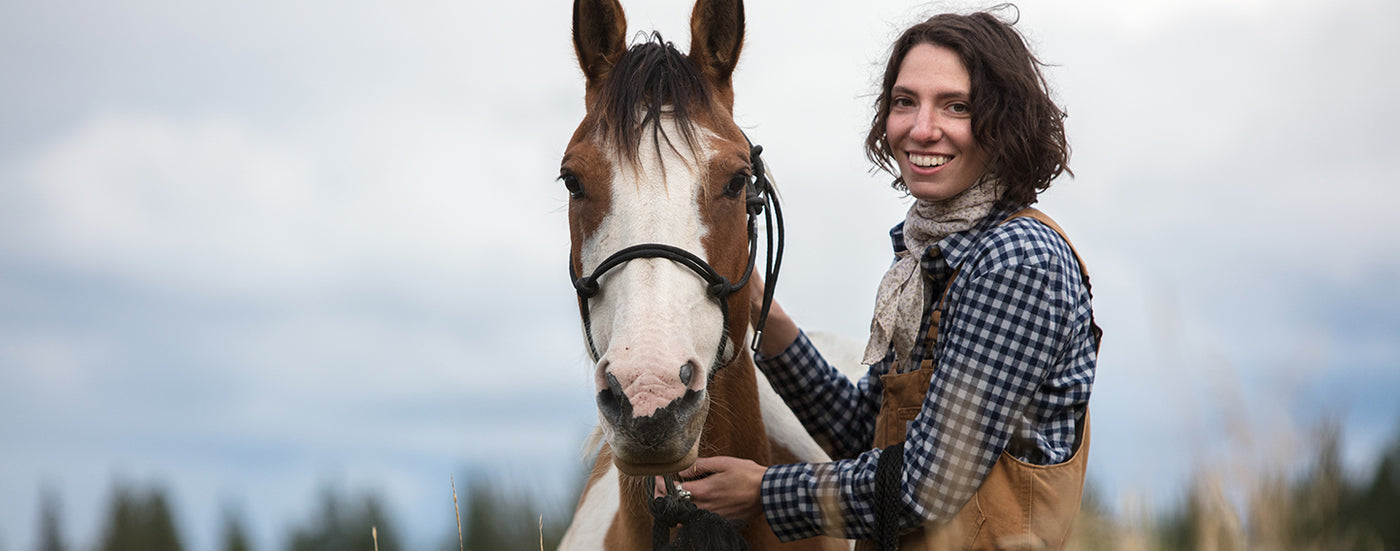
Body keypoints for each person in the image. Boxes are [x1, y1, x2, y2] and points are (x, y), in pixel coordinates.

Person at [667, 8, 1101, 550]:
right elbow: (863, 435)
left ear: (1005, 123)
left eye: (956, 106)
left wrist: (762, 491)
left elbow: (927, 484)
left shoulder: (1016, 262)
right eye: (904, 102)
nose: (921, 129)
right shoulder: (927, 260)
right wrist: (760, 305)